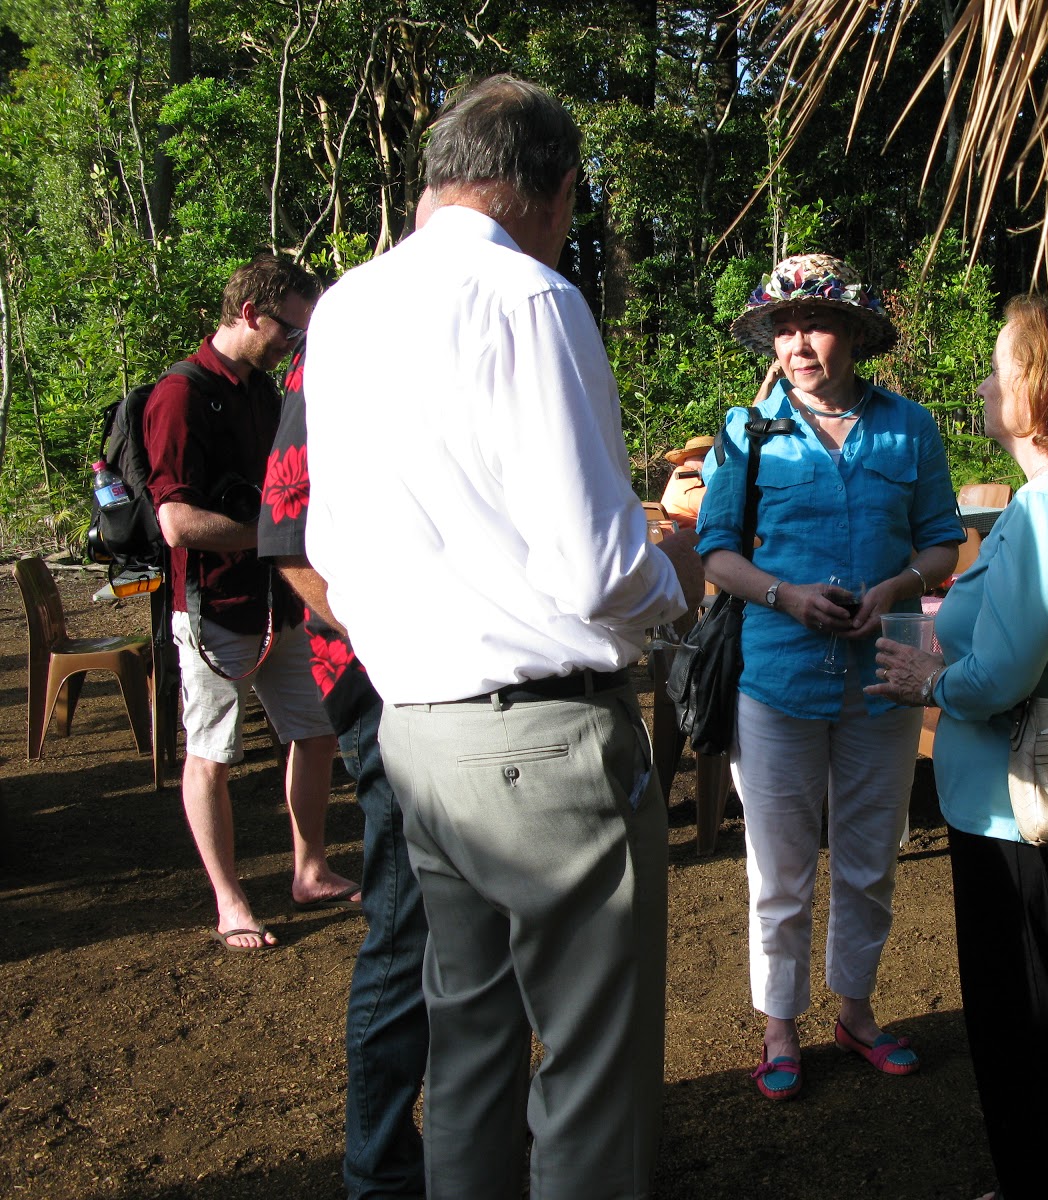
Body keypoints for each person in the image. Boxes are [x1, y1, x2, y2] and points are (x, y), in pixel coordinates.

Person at [302, 75, 701, 1200]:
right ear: (554, 188)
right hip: (544, 744)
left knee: (469, 1038)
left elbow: (333, 543)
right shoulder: (529, 296)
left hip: (416, 730)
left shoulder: (346, 307)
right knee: (592, 1066)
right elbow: (597, 568)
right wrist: (675, 567)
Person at [869, 297, 1048, 1200]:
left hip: (1017, 810)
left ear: (1047, 389)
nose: (986, 385)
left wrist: (931, 682)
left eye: (1001, 368)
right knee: (1047, 998)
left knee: (1026, 1013)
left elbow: (1000, 677)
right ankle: (1046, 1178)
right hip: (1037, 799)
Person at [697, 252, 962, 1100]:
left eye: (813, 323)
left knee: (868, 859)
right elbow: (715, 553)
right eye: (783, 328)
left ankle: (857, 1012)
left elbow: (942, 541)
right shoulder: (746, 429)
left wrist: (898, 586)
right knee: (779, 873)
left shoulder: (909, 427)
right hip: (775, 679)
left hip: (883, 679)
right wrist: (788, 596)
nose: (797, 343)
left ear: (852, 332)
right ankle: (779, 1027)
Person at [258, 278, 429, 1194]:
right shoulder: (337, 349)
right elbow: (287, 541)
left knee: (474, 933)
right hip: (381, 683)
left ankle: (474, 1141)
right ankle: (380, 1170)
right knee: (404, 928)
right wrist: (392, 644)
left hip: (465, 684)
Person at [144, 252, 358, 952]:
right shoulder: (181, 394)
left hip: (278, 598)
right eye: (289, 331)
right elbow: (177, 522)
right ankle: (230, 900)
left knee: (316, 732)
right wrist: (272, 536)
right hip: (213, 608)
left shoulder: (263, 390)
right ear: (248, 314)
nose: (294, 345)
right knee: (212, 754)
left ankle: (309, 869)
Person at [659, 435, 714, 530]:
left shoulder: (681, 473)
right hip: (684, 538)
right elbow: (716, 504)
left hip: (680, 536)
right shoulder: (687, 478)